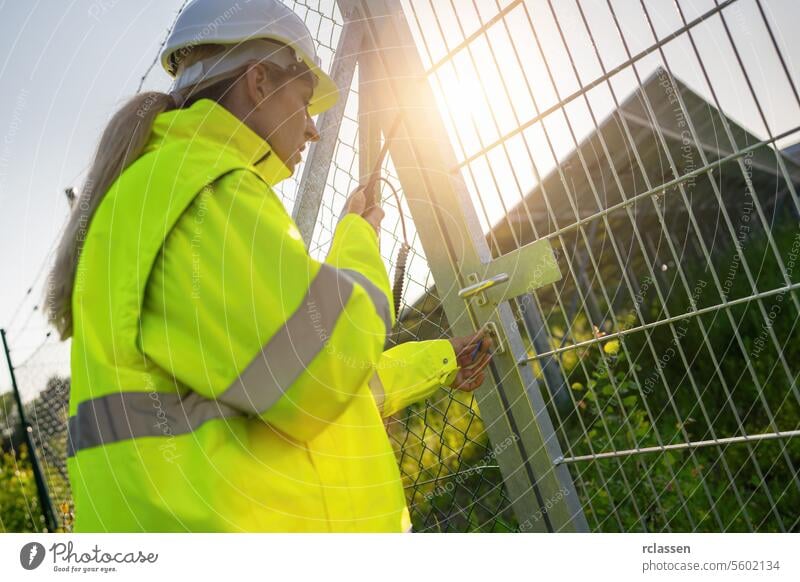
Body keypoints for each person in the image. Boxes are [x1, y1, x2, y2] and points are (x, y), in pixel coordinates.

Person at [45, 0, 492, 532]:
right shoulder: (201, 192)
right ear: (259, 82)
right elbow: (326, 370)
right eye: (305, 104)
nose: (312, 130)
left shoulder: (159, 192)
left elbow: (290, 380)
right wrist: (358, 239)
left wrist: (441, 359)